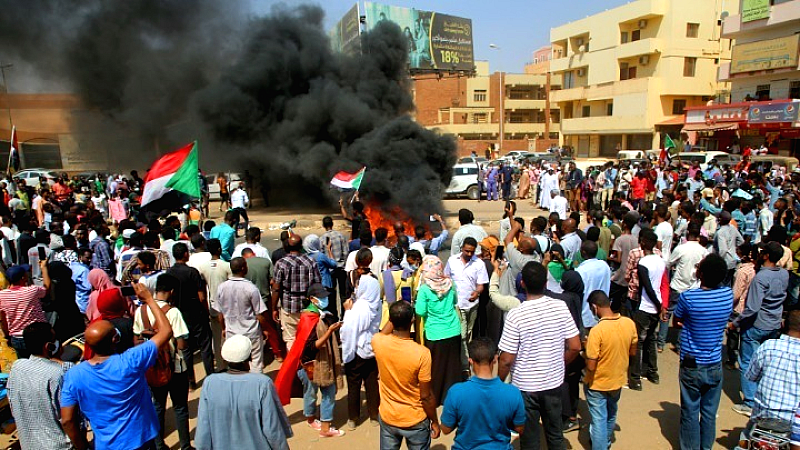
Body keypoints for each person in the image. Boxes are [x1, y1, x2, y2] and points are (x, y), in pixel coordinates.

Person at [61, 283, 173, 450]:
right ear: (115, 339)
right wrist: (149, 299)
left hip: (106, 445)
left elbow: (68, 420)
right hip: (141, 440)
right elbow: (166, 331)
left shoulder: (74, 375)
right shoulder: (131, 361)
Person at [498, 262, 581, 450]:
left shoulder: (516, 314)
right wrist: (559, 364)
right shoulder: (560, 306)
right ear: (545, 283)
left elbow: (506, 359)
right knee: (555, 435)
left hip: (525, 387)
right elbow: (575, 346)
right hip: (553, 383)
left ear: (523, 284)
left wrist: (498, 382)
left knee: (529, 440)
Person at [673, 253, 733, 450]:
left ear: (702, 273)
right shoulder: (727, 295)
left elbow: (677, 321)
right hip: (714, 362)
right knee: (709, 412)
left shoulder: (688, 297)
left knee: (690, 410)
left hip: (692, 362)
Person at [196, 334, 293, 450]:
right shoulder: (262, 384)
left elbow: (203, 428)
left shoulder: (209, 383)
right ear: (250, 357)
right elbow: (272, 429)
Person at [132, 273, 192, 450]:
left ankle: (159, 444)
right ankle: (185, 445)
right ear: (171, 291)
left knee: (157, 405)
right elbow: (181, 344)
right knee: (180, 407)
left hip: (152, 367)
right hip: (175, 367)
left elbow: (136, 339)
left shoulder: (140, 310)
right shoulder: (173, 312)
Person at [372, 300, 441, 450]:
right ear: (412, 321)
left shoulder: (378, 342)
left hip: (388, 416)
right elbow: (426, 396)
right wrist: (434, 421)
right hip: (415, 420)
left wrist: (394, 316)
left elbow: (384, 332)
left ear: (390, 320)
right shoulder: (422, 353)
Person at [731, 240, 789, 417]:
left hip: (756, 325)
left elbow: (752, 308)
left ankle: (749, 402)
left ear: (766, 256)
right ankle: (762, 398)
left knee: (748, 362)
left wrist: (736, 322)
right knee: (766, 363)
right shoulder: (784, 274)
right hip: (773, 324)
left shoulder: (761, 278)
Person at [441, 337, 525, 449]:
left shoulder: (456, 392)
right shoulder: (513, 393)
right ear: (495, 359)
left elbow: (445, 429)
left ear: (470, 361)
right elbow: (519, 429)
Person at [583, 291, 637, 450]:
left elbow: (591, 366)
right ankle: (605, 443)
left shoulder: (597, 331)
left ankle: (600, 446)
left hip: (597, 383)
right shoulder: (629, 323)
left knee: (599, 419)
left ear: (594, 307)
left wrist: (584, 353)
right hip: (617, 379)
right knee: (611, 413)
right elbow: (632, 352)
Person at [7, 322, 73, 450]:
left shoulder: (17, 367)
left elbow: (13, 406)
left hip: (29, 444)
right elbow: (67, 420)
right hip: (59, 446)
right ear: (49, 346)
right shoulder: (57, 374)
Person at [294, 283, 345, 438]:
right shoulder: (310, 319)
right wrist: (330, 331)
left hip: (308, 365)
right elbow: (312, 346)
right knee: (328, 393)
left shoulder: (317, 315)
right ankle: (325, 428)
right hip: (316, 365)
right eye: (321, 297)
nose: (325, 299)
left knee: (310, 393)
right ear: (312, 299)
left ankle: (310, 419)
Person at [340, 248, 381, 429]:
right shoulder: (376, 305)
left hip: (356, 351)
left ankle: (353, 418)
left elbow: (348, 331)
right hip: (371, 349)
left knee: (354, 385)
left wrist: (348, 311)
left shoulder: (357, 309)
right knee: (372, 383)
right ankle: (374, 414)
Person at [415, 255, 462, 406]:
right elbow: (455, 301)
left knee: (435, 368)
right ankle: (452, 398)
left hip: (434, 333)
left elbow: (420, 311)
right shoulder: (450, 283)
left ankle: (435, 398)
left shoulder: (424, 289)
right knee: (452, 367)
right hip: (453, 330)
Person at [167, 243, 214, 386]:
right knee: (205, 345)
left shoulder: (168, 273)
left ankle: (191, 380)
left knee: (186, 349)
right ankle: (210, 376)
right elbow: (201, 296)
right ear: (186, 254)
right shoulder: (192, 272)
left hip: (179, 315)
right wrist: (206, 311)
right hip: (196, 313)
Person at [744, 310, 800, 425]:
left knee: (745, 437)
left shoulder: (768, 346)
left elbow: (751, 376)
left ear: (783, 324)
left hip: (762, 417)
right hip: (793, 422)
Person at [216, 257, 271, 373]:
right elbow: (259, 314)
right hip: (251, 333)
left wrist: (224, 329)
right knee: (256, 363)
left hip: (232, 333)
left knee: (235, 364)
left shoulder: (222, 288)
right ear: (243, 268)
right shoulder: (251, 288)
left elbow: (220, 314)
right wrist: (265, 329)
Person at [445, 236, 489, 372]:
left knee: (469, 332)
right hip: (458, 305)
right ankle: (465, 366)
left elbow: (481, 284)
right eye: (467, 251)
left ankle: (466, 355)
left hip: (472, 305)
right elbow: (446, 278)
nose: (469, 254)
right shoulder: (452, 261)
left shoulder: (479, 264)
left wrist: (477, 292)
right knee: (463, 334)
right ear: (462, 249)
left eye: (472, 252)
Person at [630, 228, 667, 390]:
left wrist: (658, 305)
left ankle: (635, 377)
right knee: (651, 339)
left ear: (643, 242)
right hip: (656, 305)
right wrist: (661, 306)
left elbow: (647, 287)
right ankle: (653, 372)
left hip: (645, 305)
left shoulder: (643, 263)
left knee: (637, 342)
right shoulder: (660, 260)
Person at [662, 223, 708, 352]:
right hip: (693, 288)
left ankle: (660, 342)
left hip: (677, 286)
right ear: (698, 236)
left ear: (687, 234)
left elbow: (669, 263)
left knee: (667, 313)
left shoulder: (681, 248)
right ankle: (679, 345)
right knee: (687, 318)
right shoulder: (704, 251)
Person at [271, 234, 321, 350]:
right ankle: (306, 362)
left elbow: (276, 288)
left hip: (288, 307)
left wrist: (274, 308)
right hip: (307, 306)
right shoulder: (311, 261)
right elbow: (318, 285)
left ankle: (296, 365)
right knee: (307, 337)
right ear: (301, 246)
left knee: (290, 339)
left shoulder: (281, 263)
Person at [0, 262, 50, 358]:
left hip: (16, 338)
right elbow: (47, 288)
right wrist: (44, 268)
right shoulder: (31, 291)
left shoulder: (2, 295)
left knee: (25, 365)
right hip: (36, 336)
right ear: (23, 278)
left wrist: (7, 335)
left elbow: (3, 320)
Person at [195, 238, 232, 369]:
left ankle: (221, 365)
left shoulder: (203, 268)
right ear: (219, 249)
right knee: (229, 334)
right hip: (227, 307)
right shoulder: (226, 266)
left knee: (216, 337)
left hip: (213, 306)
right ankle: (231, 361)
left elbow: (203, 290)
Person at [575, 240, 611, 332]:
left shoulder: (581, 270)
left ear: (583, 252)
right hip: (603, 313)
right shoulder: (605, 266)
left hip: (586, 315)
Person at [321, 216, 349, 303]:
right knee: (343, 293)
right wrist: (343, 262)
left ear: (323, 225)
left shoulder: (322, 238)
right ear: (332, 224)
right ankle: (344, 314)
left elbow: (321, 255)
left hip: (330, 270)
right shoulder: (340, 235)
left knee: (331, 293)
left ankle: (334, 315)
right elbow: (346, 252)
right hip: (341, 268)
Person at [714, 211, 744, 286]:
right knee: (729, 283)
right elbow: (741, 241)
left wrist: (718, 262)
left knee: (721, 284)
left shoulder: (720, 232)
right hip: (733, 260)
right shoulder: (733, 227)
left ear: (720, 220)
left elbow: (723, 250)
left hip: (725, 261)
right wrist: (733, 247)